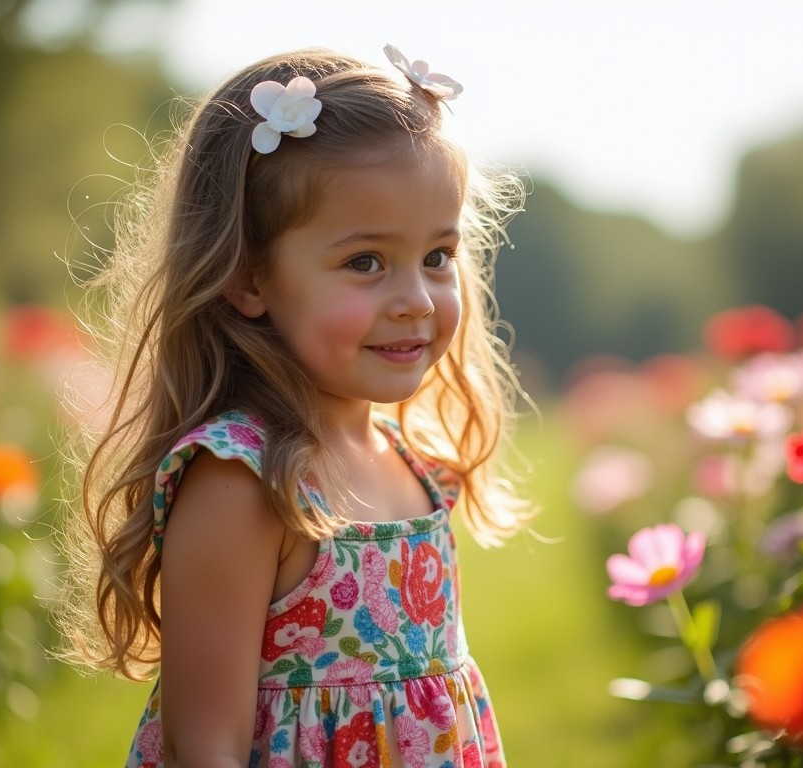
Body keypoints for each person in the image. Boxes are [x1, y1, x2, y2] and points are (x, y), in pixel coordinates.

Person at [58, 43, 532, 768]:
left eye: (436, 256)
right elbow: (202, 747)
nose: (414, 299)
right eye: (365, 262)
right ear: (250, 279)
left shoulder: (411, 463)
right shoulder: (245, 481)